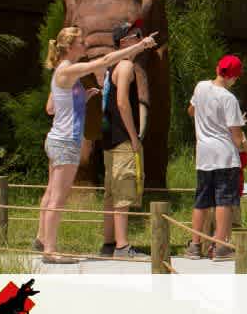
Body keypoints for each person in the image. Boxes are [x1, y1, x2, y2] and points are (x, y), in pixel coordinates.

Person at [36, 26, 157, 264]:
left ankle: (43, 240)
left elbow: (51, 108)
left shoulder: (62, 72)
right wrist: (140, 46)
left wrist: (81, 98)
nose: (84, 45)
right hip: (66, 142)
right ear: (70, 47)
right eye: (81, 42)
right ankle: (50, 250)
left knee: (51, 193)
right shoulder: (69, 69)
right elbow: (105, 60)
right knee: (58, 199)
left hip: (57, 139)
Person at [184, 55, 247, 261]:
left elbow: (191, 110)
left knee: (201, 200)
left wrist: (208, 120)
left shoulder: (200, 87)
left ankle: (195, 245)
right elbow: (237, 136)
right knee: (225, 201)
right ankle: (221, 246)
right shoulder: (229, 99)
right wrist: (245, 146)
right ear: (233, 77)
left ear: (217, 68)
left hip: (203, 155)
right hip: (225, 156)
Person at [98, 22, 148, 259]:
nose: (141, 38)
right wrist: (133, 137)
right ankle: (122, 246)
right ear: (125, 43)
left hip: (109, 139)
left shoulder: (112, 66)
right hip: (121, 140)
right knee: (123, 192)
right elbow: (121, 102)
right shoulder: (126, 65)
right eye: (136, 36)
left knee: (111, 192)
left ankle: (109, 243)